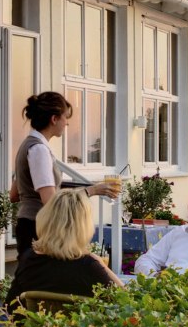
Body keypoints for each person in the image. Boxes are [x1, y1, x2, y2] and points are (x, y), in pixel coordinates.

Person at [11, 92, 119, 259]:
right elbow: (51, 202)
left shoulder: (27, 145)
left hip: (26, 224)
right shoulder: (39, 150)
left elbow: (14, 194)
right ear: (54, 119)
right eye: (65, 117)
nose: (67, 123)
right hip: (39, 228)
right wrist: (92, 190)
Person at [5, 190, 122, 309]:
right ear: (84, 226)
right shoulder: (89, 266)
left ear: (46, 219)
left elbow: (9, 307)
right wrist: (100, 263)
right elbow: (127, 303)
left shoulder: (29, 260)